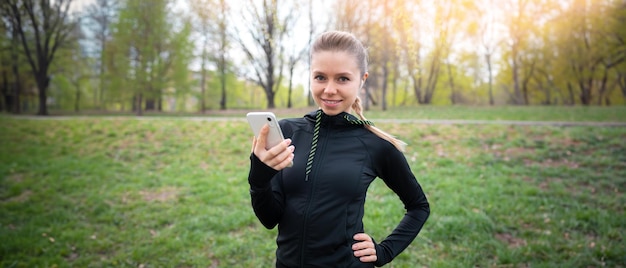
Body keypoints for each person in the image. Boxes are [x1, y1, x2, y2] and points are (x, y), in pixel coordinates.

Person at [248, 30, 430, 267]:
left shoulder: (375, 145)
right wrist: (259, 178)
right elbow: (270, 218)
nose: (329, 89)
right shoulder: (288, 134)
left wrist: (385, 250)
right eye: (320, 77)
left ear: (362, 80)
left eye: (342, 78)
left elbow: (418, 207)